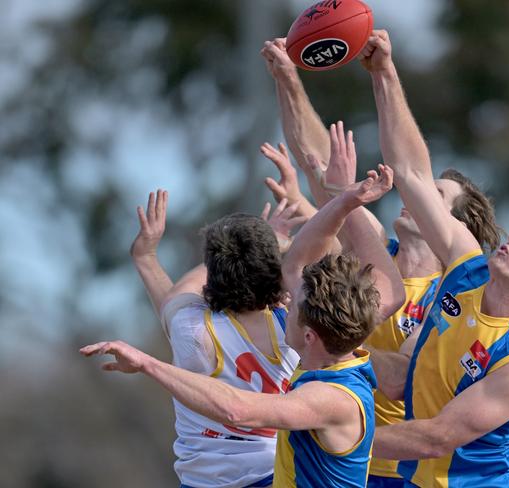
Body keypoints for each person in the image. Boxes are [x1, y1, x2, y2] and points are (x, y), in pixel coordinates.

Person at [83, 134, 406, 488]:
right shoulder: (314, 330)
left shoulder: (194, 329)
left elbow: (236, 407)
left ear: (310, 333)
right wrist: (342, 199)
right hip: (269, 473)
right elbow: (308, 257)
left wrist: (147, 259)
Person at [357, 29, 509, 487]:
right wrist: (384, 73)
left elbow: (437, 437)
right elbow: (410, 172)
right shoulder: (468, 266)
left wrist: (335, 434)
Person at [261, 38, 502, 487]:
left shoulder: (450, 294)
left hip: (392, 466)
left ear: (455, 223)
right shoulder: (375, 257)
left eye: (436, 196)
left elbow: (397, 379)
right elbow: (323, 166)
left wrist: (324, 328)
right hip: (329, 446)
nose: (418, 198)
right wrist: (288, 81)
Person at [129, 190, 306, 488]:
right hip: (277, 475)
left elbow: (178, 295)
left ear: (212, 270)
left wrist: (145, 257)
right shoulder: (295, 324)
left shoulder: (192, 330)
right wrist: (268, 246)